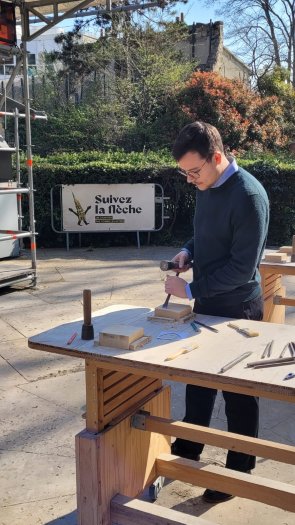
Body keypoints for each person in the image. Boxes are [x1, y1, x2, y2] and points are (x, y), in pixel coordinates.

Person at [165, 121, 269, 503]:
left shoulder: (249, 196)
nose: (191, 180)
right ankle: (189, 449)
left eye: (195, 171)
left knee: (239, 395)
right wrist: (187, 252)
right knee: (198, 384)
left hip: (239, 308)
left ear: (218, 158)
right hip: (208, 304)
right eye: (185, 173)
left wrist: (189, 288)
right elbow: (205, 232)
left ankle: (239, 470)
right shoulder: (208, 185)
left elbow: (242, 268)